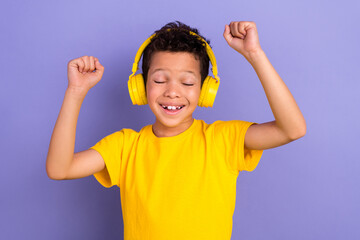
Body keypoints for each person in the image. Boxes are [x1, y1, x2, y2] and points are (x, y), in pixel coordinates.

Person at [46, 21, 306, 240]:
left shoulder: (223, 139)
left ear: (205, 90)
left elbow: (292, 129)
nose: (172, 91)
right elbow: (59, 169)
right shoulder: (125, 146)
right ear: (140, 87)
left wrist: (254, 54)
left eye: (187, 82)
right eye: (159, 80)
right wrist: (76, 92)